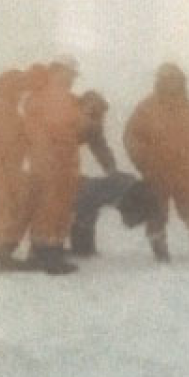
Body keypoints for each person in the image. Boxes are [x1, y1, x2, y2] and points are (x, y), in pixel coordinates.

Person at [124, 63, 189, 262]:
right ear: (160, 81)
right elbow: (131, 137)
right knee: (157, 210)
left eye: (175, 79)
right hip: (157, 170)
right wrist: (143, 161)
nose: (171, 83)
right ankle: (159, 249)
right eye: (167, 79)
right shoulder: (147, 107)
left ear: (181, 81)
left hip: (185, 170)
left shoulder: (188, 107)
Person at [0, 65, 47, 271]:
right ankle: (1, 255)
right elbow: (8, 139)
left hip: (4, 164)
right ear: (9, 86)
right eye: (19, 88)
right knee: (4, 204)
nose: (21, 94)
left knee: (11, 203)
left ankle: (2, 252)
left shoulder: (1, 105)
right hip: (0, 164)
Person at [23, 56, 86, 274]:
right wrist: (80, 125)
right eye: (71, 74)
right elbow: (61, 127)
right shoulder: (57, 95)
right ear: (60, 71)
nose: (73, 79)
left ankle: (39, 251)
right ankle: (51, 255)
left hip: (43, 158)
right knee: (55, 205)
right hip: (57, 159)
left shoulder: (40, 94)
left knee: (45, 204)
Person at [69, 90, 123, 256]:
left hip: (66, 167)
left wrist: (111, 169)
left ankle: (82, 247)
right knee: (62, 203)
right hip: (50, 166)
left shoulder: (92, 124)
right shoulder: (66, 115)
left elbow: (99, 146)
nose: (96, 120)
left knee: (87, 199)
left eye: (98, 116)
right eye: (93, 114)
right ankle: (46, 249)